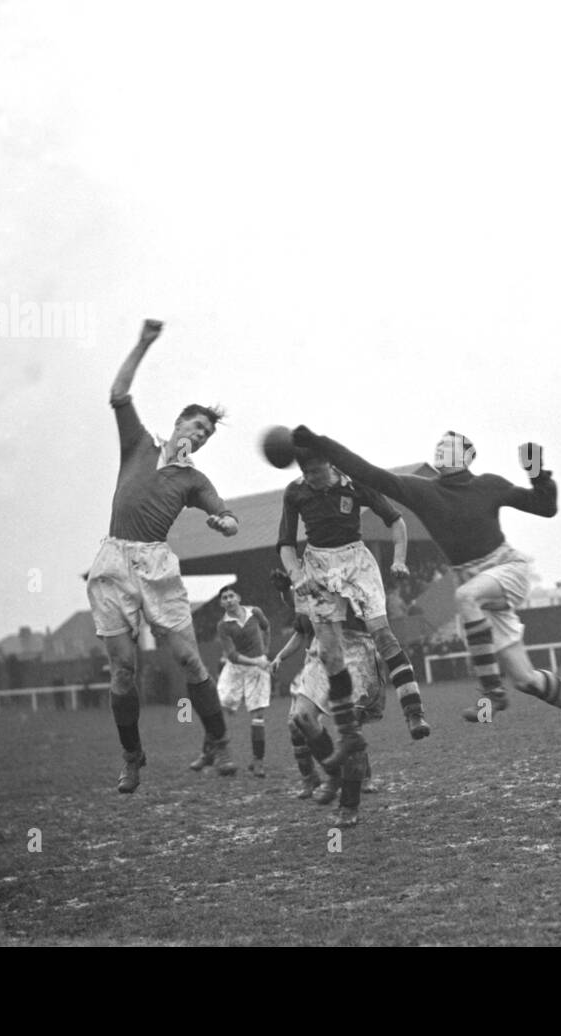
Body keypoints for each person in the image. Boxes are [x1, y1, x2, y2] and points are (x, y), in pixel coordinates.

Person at [289, 426, 561, 742]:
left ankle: (491, 694)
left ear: (467, 455)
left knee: (465, 596)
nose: (440, 450)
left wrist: (537, 470)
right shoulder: (423, 491)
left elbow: (545, 506)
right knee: (526, 678)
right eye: (438, 446)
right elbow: (369, 473)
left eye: (448, 446)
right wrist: (321, 443)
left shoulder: (489, 484)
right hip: (477, 587)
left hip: (506, 568)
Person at [86, 319, 240, 793]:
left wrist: (224, 523)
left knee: (190, 663)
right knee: (123, 671)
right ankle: (132, 756)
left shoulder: (194, 481)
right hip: (113, 562)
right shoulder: (138, 443)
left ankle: (219, 740)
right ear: (177, 424)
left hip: (156, 565)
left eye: (207, 435)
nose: (199, 436)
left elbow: (229, 518)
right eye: (195, 426)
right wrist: (143, 343)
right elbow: (117, 392)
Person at [277, 447, 429, 770]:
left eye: (316, 472)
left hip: (355, 560)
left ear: (330, 464)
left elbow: (396, 520)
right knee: (330, 654)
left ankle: (413, 712)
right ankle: (342, 743)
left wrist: (399, 559)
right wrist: (297, 575)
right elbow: (286, 544)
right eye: (306, 473)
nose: (312, 479)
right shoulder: (296, 492)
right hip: (317, 564)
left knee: (382, 633)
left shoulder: (356, 482)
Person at [268, 572, 385, 828]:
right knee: (300, 718)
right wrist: (287, 589)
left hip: (357, 650)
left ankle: (349, 804)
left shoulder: (353, 566)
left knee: (351, 730)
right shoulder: (310, 567)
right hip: (320, 653)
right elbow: (302, 609)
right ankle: (332, 776)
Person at [189, 585, 272, 777]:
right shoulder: (223, 625)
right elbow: (232, 655)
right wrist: (256, 661)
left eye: (231, 596)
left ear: (238, 597)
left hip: (258, 669)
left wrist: (265, 651)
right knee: (216, 710)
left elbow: (266, 628)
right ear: (221, 603)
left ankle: (258, 762)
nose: (228, 600)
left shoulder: (255, 612)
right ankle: (207, 754)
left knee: (258, 715)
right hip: (235, 669)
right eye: (224, 598)